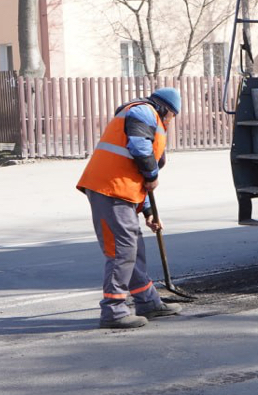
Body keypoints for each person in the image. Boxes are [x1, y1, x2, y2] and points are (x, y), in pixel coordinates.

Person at [76, 88, 183, 329]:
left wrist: (148, 211)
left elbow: (136, 173)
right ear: (166, 109)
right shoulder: (144, 112)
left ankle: (148, 302)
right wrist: (152, 175)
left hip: (119, 190)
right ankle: (113, 311)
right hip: (109, 190)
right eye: (172, 116)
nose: (171, 121)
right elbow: (140, 150)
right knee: (122, 250)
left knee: (134, 248)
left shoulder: (146, 116)